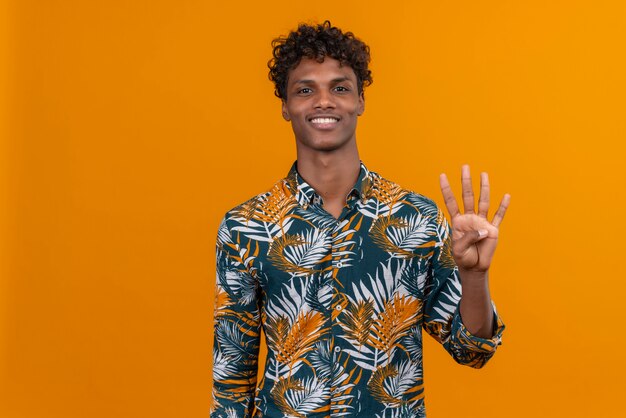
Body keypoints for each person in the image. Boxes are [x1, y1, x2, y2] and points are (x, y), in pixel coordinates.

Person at [210, 21, 510, 418]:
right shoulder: (245, 227)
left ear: (360, 100)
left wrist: (474, 276)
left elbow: (471, 350)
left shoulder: (415, 219)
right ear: (285, 105)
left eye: (339, 87)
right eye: (305, 89)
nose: (323, 102)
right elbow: (232, 382)